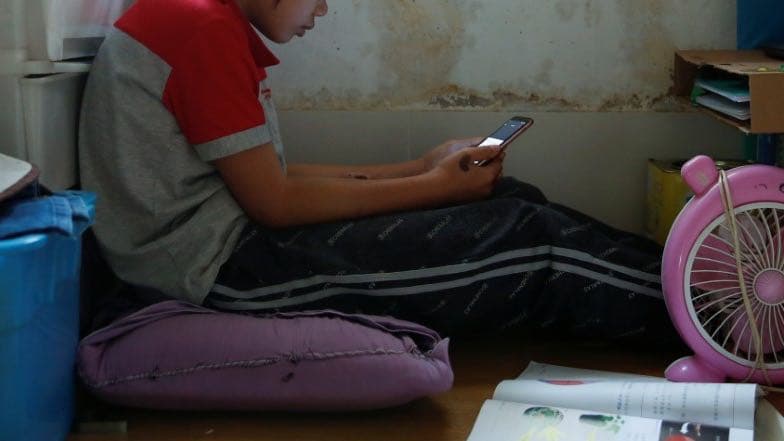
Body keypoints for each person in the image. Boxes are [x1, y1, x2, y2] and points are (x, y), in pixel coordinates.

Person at [79, 0, 674, 340]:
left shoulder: (197, 21)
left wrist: (423, 169)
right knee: (531, 239)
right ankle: (718, 317)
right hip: (217, 273)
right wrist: (434, 186)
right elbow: (275, 204)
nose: (323, 8)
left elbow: (272, 182)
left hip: (234, 241)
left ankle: (700, 277)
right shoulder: (200, 26)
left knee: (514, 198)